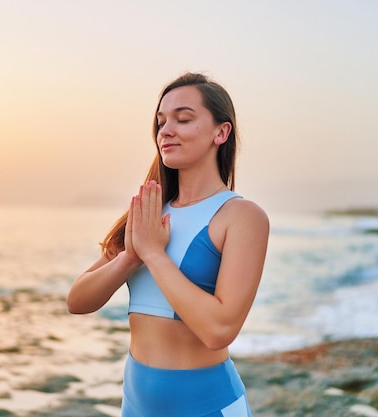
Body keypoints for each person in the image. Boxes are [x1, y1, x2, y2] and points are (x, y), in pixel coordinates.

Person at [66, 72, 269, 417]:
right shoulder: (148, 212)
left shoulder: (241, 216)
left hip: (207, 406)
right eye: (161, 122)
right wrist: (130, 258)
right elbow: (78, 300)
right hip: (136, 405)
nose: (166, 131)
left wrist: (153, 254)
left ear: (221, 133)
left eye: (183, 119)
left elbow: (219, 330)